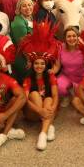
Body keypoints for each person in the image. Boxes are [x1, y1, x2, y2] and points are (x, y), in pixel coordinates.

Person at [20, 20, 61, 151]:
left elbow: (55, 95)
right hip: (33, 113)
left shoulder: (50, 76)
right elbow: (25, 100)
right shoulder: (27, 79)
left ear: (46, 65)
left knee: (49, 99)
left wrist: (51, 108)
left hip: (47, 110)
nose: (39, 66)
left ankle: (42, 134)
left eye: (42, 64)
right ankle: (49, 125)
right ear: (32, 65)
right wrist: (40, 111)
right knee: (34, 94)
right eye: (36, 63)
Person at [52, 27, 84, 107]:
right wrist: (50, 71)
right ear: (65, 38)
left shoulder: (83, 47)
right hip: (66, 76)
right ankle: (66, 96)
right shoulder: (61, 47)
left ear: (77, 37)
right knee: (58, 86)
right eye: (69, 36)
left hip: (81, 77)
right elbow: (57, 66)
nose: (71, 38)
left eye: (74, 36)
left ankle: (75, 92)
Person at [10, 0, 34, 85]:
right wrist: (28, 59)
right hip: (22, 57)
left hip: (31, 54)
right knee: (26, 82)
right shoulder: (18, 23)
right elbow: (22, 44)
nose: (27, 8)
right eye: (24, 6)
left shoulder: (30, 18)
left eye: (29, 5)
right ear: (19, 9)